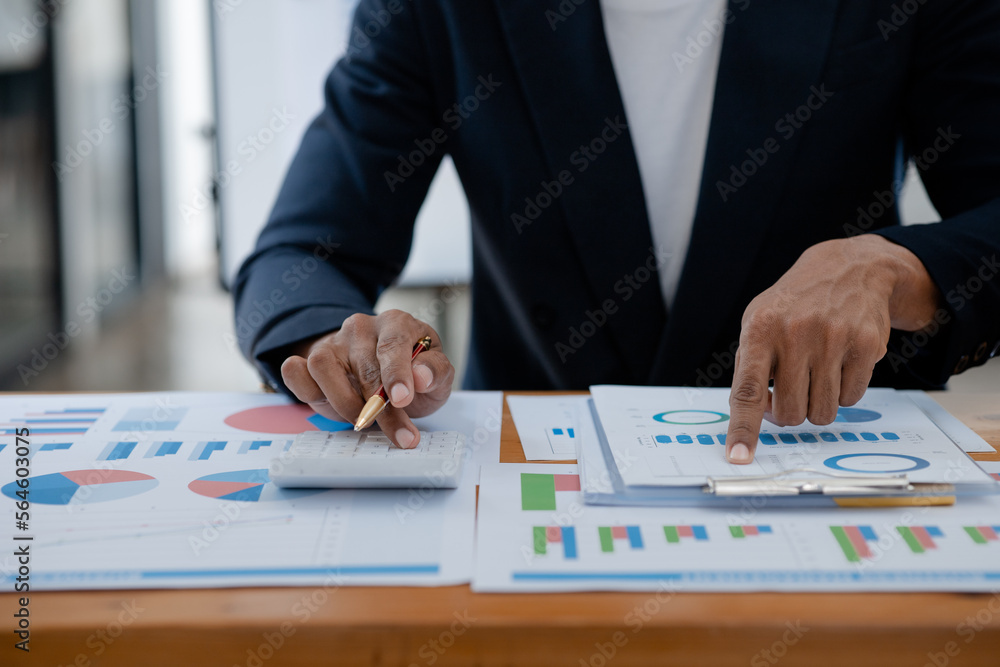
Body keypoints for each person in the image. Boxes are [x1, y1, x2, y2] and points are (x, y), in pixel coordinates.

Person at [234, 0, 1000, 464]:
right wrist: (338, 345)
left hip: (834, 463)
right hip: (539, 482)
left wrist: (896, 270)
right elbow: (300, 252)